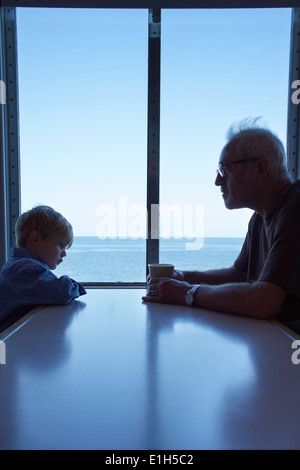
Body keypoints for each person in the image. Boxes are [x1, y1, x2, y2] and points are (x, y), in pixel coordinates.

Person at [143, 118, 300, 322]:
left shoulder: (295, 211)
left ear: (260, 168)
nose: (218, 181)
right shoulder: (260, 217)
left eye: (225, 169)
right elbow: (238, 275)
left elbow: (263, 301)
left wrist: (186, 293)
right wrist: (183, 277)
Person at [0, 205, 86, 331]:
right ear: (36, 239)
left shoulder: (16, 266)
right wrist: (75, 286)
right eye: (60, 245)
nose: (64, 253)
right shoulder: (27, 270)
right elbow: (62, 291)